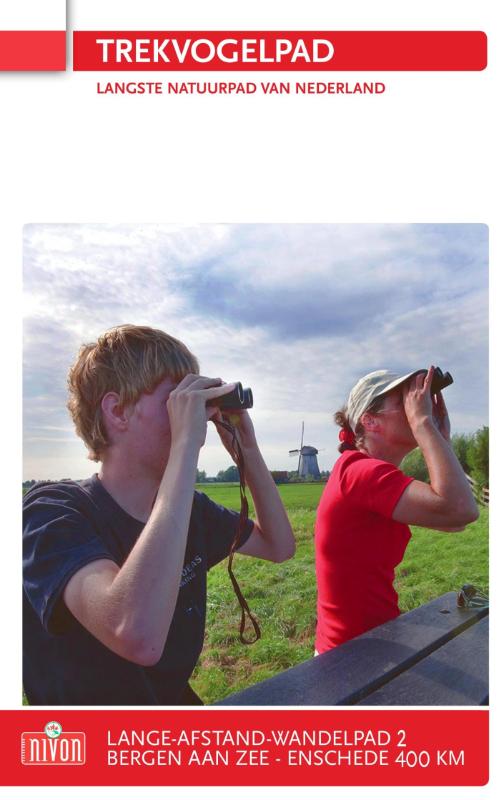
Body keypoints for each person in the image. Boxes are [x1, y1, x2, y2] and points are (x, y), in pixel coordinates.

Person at [23, 324, 295, 705]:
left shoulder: (189, 508)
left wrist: (246, 446)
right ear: (117, 411)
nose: (192, 416)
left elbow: (279, 545)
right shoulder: (52, 514)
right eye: (177, 402)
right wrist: (185, 447)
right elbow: (135, 634)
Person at [315, 366, 479, 654]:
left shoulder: (371, 475)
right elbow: (460, 510)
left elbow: (453, 521)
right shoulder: (359, 473)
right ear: (370, 420)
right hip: (347, 662)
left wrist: (441, 438)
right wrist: (424, 424)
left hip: (376, 643)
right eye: (403, 401)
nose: (416, 405)